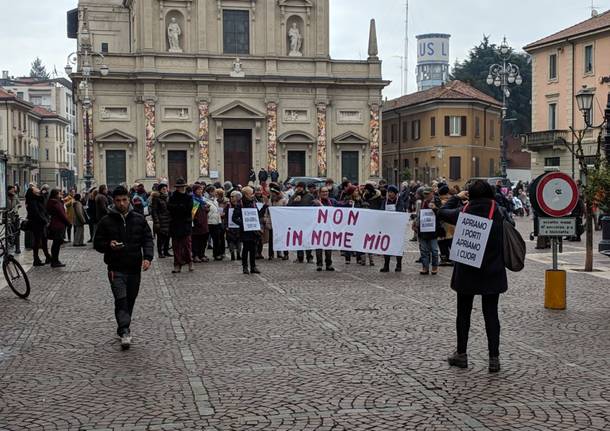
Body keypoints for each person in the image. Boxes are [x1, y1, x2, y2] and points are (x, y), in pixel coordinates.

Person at [437, 180, 507, 373]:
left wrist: (456, 198)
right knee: (491, 315)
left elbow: (441, 212)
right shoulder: (499, 212)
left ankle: (461, 354)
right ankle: (494, 359)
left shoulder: (464, 213)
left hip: (467, 271)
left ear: (471, 196)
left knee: (463, 314)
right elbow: (512, 225)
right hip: (493, 271)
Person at [94, 186, 154, 350]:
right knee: (121, 299)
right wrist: (109, 244)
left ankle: (123, 325)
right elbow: (97, 243)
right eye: (118, 200)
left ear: (129, 200)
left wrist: (148, 258)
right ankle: (125, 330)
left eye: (124, 200)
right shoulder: (106, 221)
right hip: (115, 267)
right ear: (114, 201)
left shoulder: (139, 219)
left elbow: (147, 239)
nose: (122, 203)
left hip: (134, 267)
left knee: (130, 300)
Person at [232, 186, 264, 274]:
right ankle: (245, 267)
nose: (253, 195)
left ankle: (253, 267)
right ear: (246, 194)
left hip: (253, 230)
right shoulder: (240, 204)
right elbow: (234, 218)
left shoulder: (253, 203)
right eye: (251, 193)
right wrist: (243, 223)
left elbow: (257, 216)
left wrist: (264, 207)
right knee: (246, 249)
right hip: (245, 231)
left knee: (253, 249)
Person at [168, 178, 194, 273]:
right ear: (177, 188)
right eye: (179, 187)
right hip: (175, 224)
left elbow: (188, 209)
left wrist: (178, 208)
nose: (181, 188)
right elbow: (170, 207)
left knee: (187, 245)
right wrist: (181, 207)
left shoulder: (188, 197)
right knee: (176, 246)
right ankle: (177, 264)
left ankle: (190, 262)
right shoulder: (172, 197)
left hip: (185, 224)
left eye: (182, 187)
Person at [416, 187, 441, 275]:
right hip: (423, 229)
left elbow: (441, 214)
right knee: (423, 250)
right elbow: (419, 213)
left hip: (433, 229)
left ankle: (434, 267)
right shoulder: (422, 202)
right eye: (425, 194)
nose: (426, 195)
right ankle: (425, 267)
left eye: (428, 194)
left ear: (432, 193)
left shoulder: (437, 201)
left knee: (434, 250)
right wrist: (416, 223)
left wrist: (435, 208)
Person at [25, 185, 52, 266]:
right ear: (33, 192)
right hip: (37, 223)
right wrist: (45, 221)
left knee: (44, 240)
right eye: (35, 188)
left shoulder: (38, 198)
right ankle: (36, 259)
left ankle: (47, 257)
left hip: (41, 222)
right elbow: (37, 213)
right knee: (37, 241)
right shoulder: (32, 201)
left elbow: (43, 206)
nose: (37, 188)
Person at [288, 182, 314, 263]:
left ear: (304, 188)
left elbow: (313, 207)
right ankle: (300, 257)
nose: (299, 189)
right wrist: (294, 202)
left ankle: (309, 257)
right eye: (298, 187)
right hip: (297, 221)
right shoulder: (293, 196)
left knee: (307, 239)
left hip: (307, 221)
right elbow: (288, 207)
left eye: (301, 187)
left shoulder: (309, 196)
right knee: (299, 239)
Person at [46, 189, 71, 268]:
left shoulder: (51, 202)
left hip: (55, 225)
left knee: (56, 244)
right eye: (59, 193)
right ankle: (55, 261)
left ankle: (55, 260)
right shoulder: (56, 203)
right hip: (58, 225)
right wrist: (68, 223)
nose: (61, 194)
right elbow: (61, 214)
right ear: (56, 195)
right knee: (56, 244)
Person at [380, 185, 403, 272]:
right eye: (388, 192)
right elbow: (381, 210)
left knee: (398, 246)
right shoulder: (385, 201)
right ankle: (386, 265)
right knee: (387, 246)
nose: (389, 194)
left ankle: (399, 265)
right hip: (387, 227)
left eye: (391, 192)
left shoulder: (399, 201)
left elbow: (400, 211)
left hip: (397, 227)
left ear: (395, 194)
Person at [313, 186, 335, 271]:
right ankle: (319, 264)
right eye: (323, 192)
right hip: (318, 228)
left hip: (329, 228)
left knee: (328, 247)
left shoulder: (332, 201)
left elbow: (341, 206)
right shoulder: (315, 202)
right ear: (319, 193)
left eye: (326, 191)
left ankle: (329, 264)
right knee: (319, 247)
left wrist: (348, 203)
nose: (325, 193)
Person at [264, 183, 289, 260]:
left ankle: (285, 254)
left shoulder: (284, 201)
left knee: (283, 239)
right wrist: (266, 218)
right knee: (271, 239)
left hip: (281, 223)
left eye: (274, 193)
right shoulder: (270, 201)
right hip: (272, 222)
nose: (272, 195)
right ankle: (271, 255)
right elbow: (267, 211)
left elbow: (287, 212)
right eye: (271, 193)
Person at [151, 183, 172, 258]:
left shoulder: (167, 197)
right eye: (163, 189)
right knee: (160, 237)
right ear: (160, 190)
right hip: (161, 220)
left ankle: (166, 251)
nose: (165, 190)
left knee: (167, 236)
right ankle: (160, 252)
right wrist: (156, 221)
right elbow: (154, 211)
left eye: (166, 188)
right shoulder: (156, 198)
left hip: (168, 219)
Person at [191, 184, 210, 263]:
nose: (200, 191)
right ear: (194, 191)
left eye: (201, 189)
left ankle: (202, 254)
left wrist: (207, 209)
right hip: (196, 224)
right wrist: (196, 220)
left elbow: (205, 211)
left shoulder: (202, 199)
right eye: (198, 189)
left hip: (204, 223)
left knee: (203, 240)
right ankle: (195, 255)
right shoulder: (193, 200)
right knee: (196, 240)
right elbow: (192, 213)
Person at [225, 191, 242, 261]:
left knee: (239, 241)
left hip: (239, 226)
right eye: (231, 197)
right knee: (230, 241)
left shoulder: (241, 205)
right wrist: (226, 225)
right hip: (230, 227)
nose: (232, 198)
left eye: (233, 196)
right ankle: (232, 254)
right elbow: (225, 216)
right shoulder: (228, 206)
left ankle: (238, 254)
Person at [6, 185, 21, 254]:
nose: (13, 191)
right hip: (7, 216)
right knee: (8, 231)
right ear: (8, 190)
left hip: (15, 216)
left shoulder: (15, 196)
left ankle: (17, 248)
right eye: (11, 190)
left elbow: (19, 204)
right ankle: (10, 243)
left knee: (17, 232)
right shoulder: (5, 196)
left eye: (13, 190)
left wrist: (16, 207)